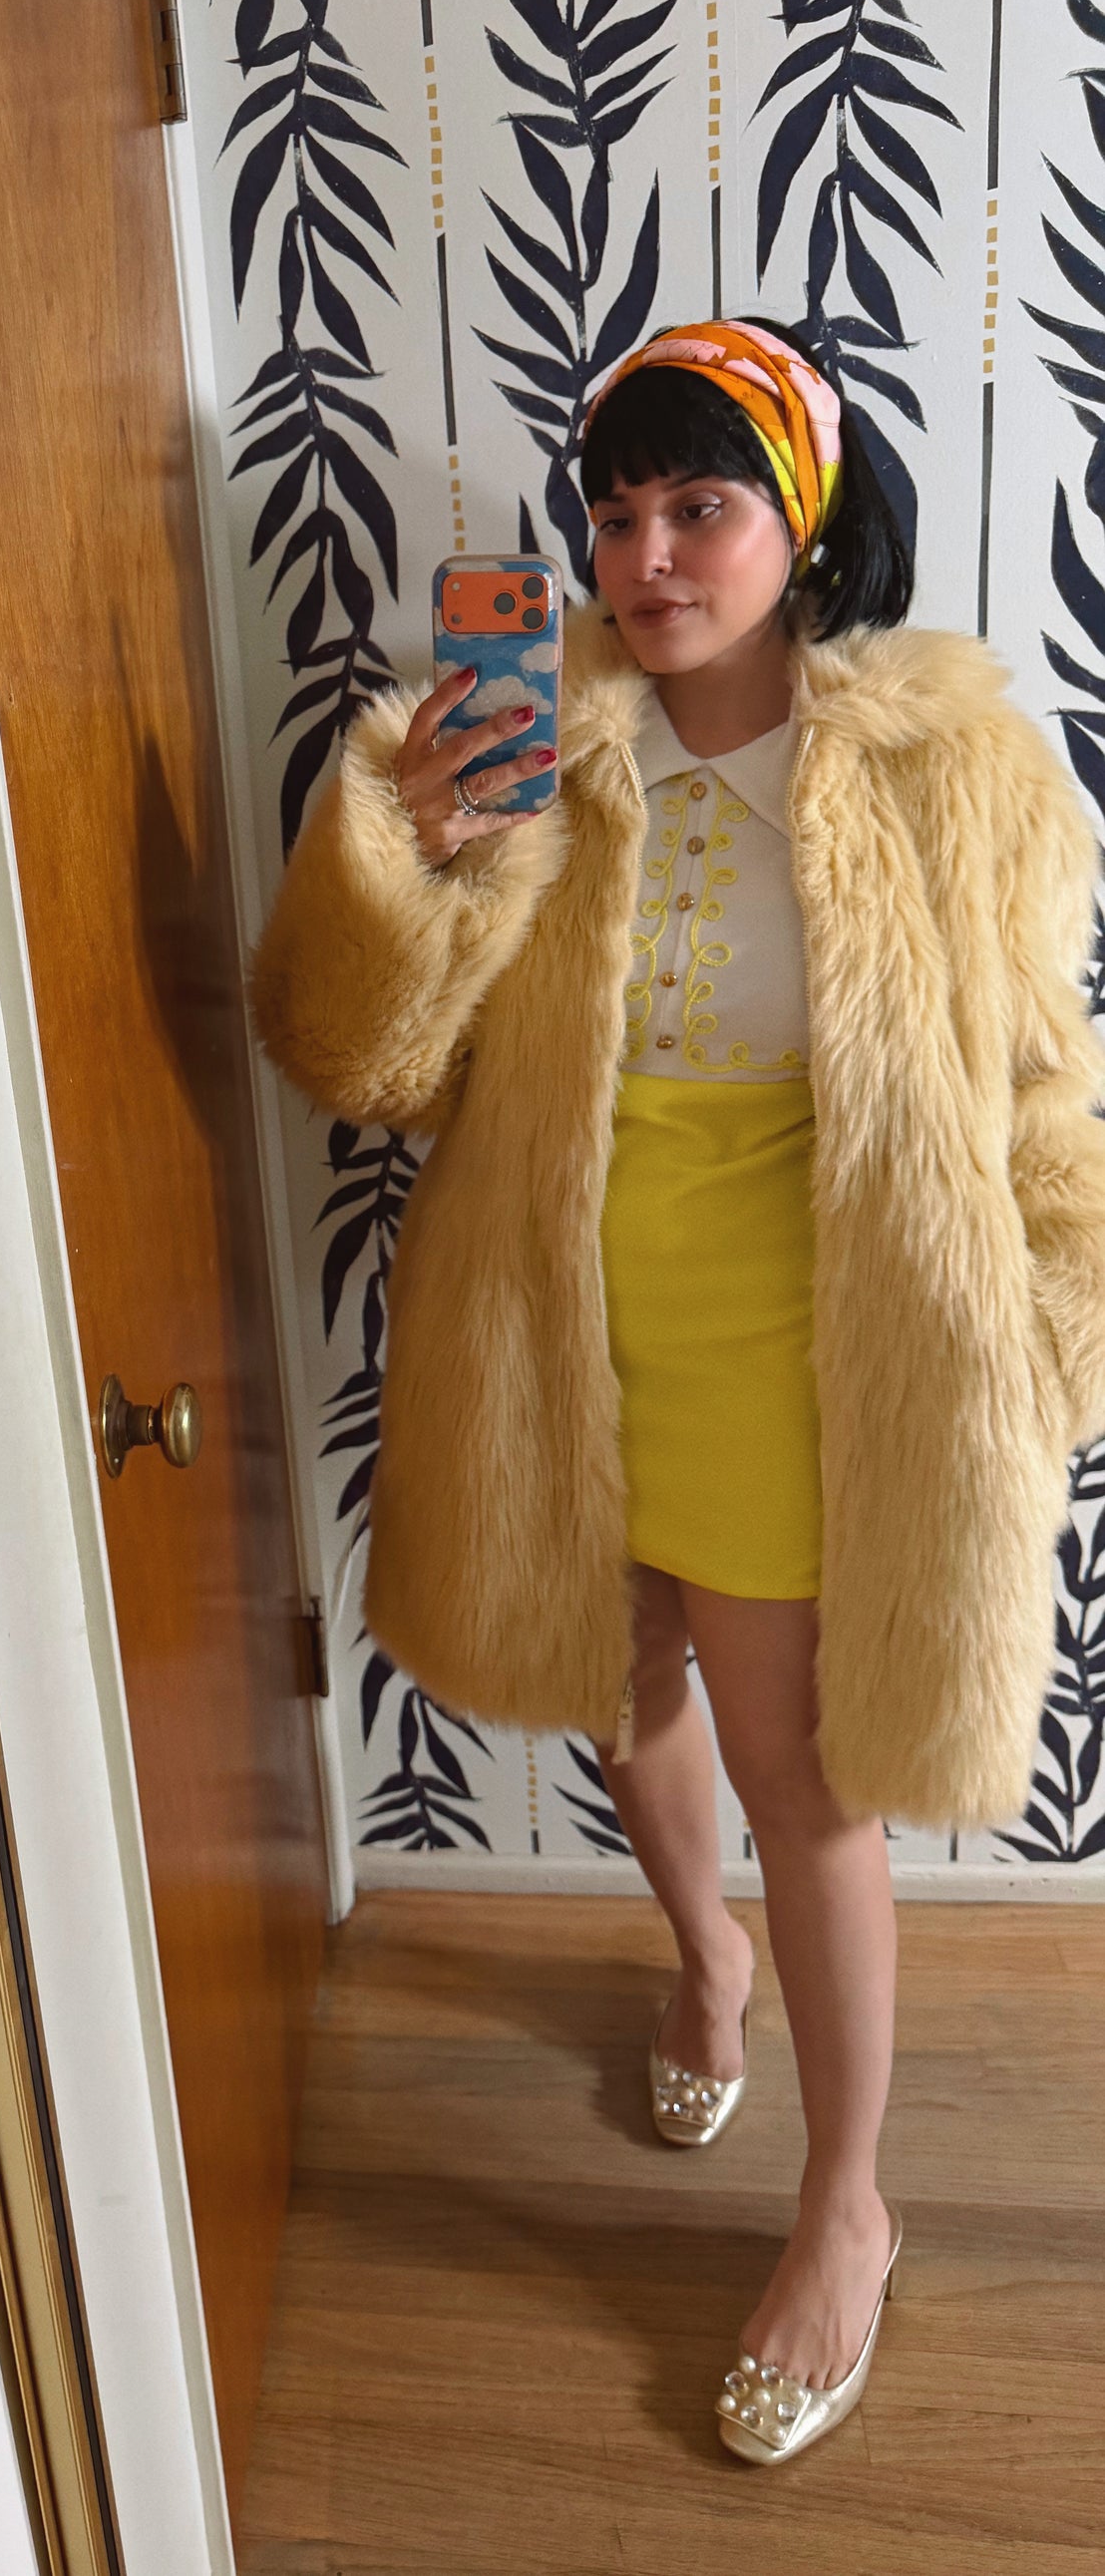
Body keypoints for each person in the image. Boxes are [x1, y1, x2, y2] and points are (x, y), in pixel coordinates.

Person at [250, 317, 1105, 2464]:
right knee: (618, 1678)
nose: (643, 556)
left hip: (804, 1343)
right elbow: (366, 1062)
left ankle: (846, 2206)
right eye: (612, 511)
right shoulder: (530, 741)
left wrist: (1050, 1331)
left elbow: (1035, 1078)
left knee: (803, 1772)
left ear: (795, 520)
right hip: (548, 1321)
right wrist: (412, 853)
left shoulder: (952, 769)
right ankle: (703, 1960)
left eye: (695, 505)